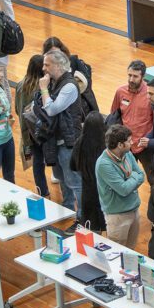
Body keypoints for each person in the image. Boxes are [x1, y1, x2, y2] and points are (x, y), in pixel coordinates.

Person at [33, 48, 89, 213]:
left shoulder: (70, 86)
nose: (43, 68)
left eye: (46, 65)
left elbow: (51, 109)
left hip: (68, 142)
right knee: (61, 178)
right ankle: (68, 208)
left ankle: (82, 217)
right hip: (55, 140)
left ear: (58, 66)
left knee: (74, 181)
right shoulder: (55, 82)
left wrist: (43, 89)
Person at [97, 125, 146, 246]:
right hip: (117, 217)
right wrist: (134, 176)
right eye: (129, 141)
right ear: (120, 145)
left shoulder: (127, 154)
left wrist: (131, 178)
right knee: (117, 257)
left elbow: (141, 174)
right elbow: (124, 189)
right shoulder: (104, 164)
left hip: (134, 210)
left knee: (131, 253)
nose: (132, 142)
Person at [15, 54, 49, 196]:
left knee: (37, 163)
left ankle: (43, 192)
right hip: (44, 131)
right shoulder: (43, 88)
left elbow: (17, 109)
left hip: (29, 131)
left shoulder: (21, 85)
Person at [109, 59, 154, 163]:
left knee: (153, 178)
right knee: (126, 176)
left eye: (135, 76)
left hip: (144, 144)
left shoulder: (150, 93)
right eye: (129, 75)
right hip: (126, 144)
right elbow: (114, 115)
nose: (131, 79)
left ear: (143, 76)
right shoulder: (120, 92)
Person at [71, 112, 108, 233]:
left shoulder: (80, 142)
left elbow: (73, 165)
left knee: (92, 227)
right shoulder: (107, 145)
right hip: (105, 191)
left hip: (88, 191)